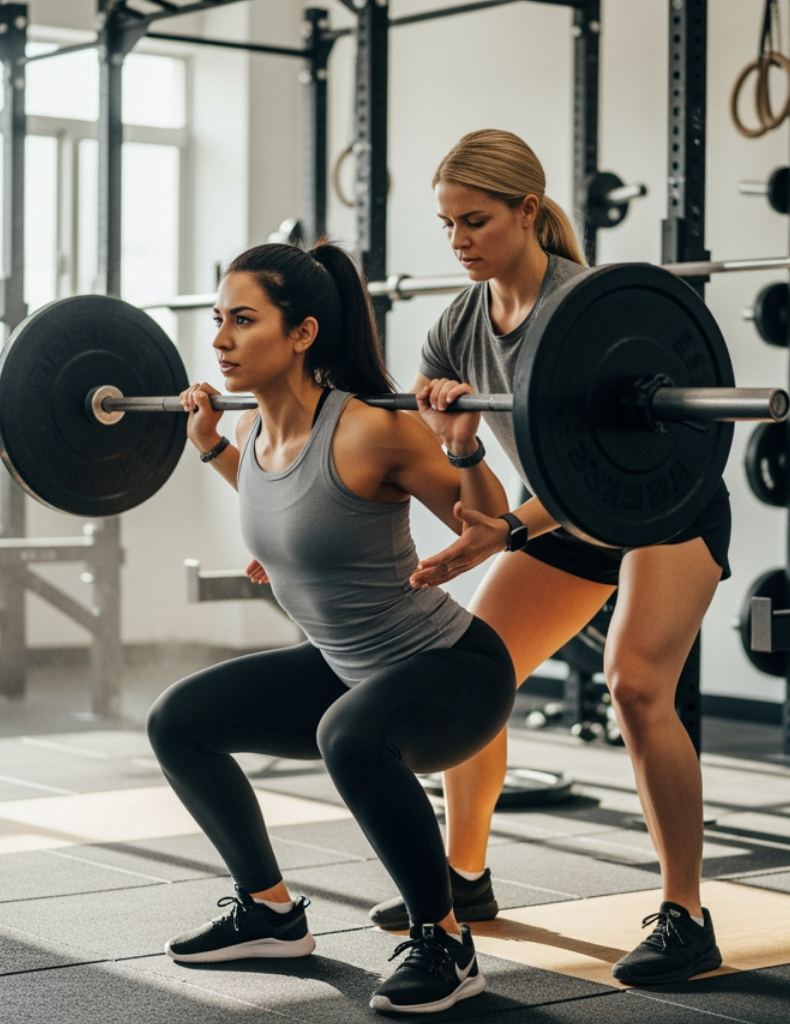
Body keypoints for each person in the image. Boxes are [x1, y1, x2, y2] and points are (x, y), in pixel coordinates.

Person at [366, 129, 733, 986]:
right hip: (558, 515)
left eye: (477, 220)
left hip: (662, 507)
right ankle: (466, 879)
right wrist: (459, 450)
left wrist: (510, 529)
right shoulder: (456, 328)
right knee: (471, 678)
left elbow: (587, 483)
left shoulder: (592, 307)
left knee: (636, 684)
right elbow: (488, 513)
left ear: (528, 211)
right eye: (448, 224)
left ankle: (686, 914)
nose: (458, 241)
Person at [146, 239, 518, 1016]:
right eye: (218, 320)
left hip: (453, 670)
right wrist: (210, 444)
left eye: (242, 321)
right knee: (178, 721)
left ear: (303, 333)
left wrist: (462, 444)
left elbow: (484, 523)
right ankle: (271, 912)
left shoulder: (371, 429)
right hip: (348, 667)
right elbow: (284, 499)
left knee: (347, 735)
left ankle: (446, 942)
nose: (218, 339)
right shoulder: (254, 435)